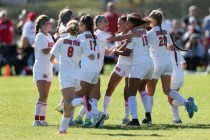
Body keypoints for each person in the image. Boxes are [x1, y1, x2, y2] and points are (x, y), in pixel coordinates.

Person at [146, 9, 198, 124]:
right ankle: (186, 103)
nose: (148, 20)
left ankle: (148, 118)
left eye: (149, 18)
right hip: (167, 63)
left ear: (154, 20)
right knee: (167, 90)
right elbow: (170, 48)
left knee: (150, 92)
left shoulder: (149, 33)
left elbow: (145, 47)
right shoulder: (165, 31)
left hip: (156, 62)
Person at [50, 20, 95, 134]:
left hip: (66, 74)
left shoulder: (61, 41)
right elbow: (91, 56)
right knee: (67, 105)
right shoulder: (81, 42)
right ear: (78, 30)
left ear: (68, 29)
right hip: (77, 75)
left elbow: (52, 58)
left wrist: (57, 63)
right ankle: (63, 130)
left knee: (68, 103)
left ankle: (83, 101)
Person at [114, 13, 154, 126]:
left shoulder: (133, 34)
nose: (126, 24)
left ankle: (135, 120)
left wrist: (116, 51)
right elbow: (145, 24)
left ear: (134, 24)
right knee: (142, 89)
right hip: (150, 64)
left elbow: (126, 53)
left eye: (128, 22)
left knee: (130, 93)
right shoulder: (143, 31)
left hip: (139, 64)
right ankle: (148, 116)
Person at [73, 14, 100, 127]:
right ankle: (87, 120)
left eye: (80, 23)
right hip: (95, 70)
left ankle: (98, 114)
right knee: (87, 97)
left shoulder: (81, 37)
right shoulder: (96, 37)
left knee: (78, 97)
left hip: (86, 70)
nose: (79, 25)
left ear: (83, 25)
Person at [32, 14, 54, 126]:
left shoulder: (49, 35)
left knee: (46, 96)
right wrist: (57, 46)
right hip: (41, 69)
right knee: (42, 95)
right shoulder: (40, 36)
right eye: (48, 23)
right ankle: (36, 120)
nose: (50, 25)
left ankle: (42, 119)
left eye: (50, 23)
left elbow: (52, 53)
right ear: (41, 25)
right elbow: (45, 51)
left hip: (49, 68)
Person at [168, 49, 187, 124]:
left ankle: (187, 103)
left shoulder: (164, 51)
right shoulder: (176, 51)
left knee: (170, 100)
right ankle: (177, 119)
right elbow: (184, 64)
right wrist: (179, 71)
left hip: (173, 77)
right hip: (180, 76)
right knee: (173, 99)